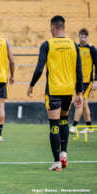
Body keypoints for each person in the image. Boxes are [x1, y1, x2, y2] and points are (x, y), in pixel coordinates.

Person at [27, 15, 83, 171]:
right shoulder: (73, 45)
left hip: (53, 90)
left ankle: (57, 162)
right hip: (68, 90)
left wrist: (31, 85)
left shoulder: (47, 44)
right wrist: (79, 92)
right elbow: (78, 70)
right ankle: (64, 154)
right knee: (64, 120)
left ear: (52, 27)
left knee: (54, 125)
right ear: (63, 27)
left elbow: (39, 68)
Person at [69, 28, 97, 134]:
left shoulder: (92, 49)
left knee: (80, 101)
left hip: (87, 81)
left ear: (87, 37)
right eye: (81, 36)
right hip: (77, 81)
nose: (83, 38)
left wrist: (96, 81)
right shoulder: (75, 48)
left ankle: (74, 126)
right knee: (84, 103)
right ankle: (89, 127)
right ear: (78, 36)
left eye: (85, 36)